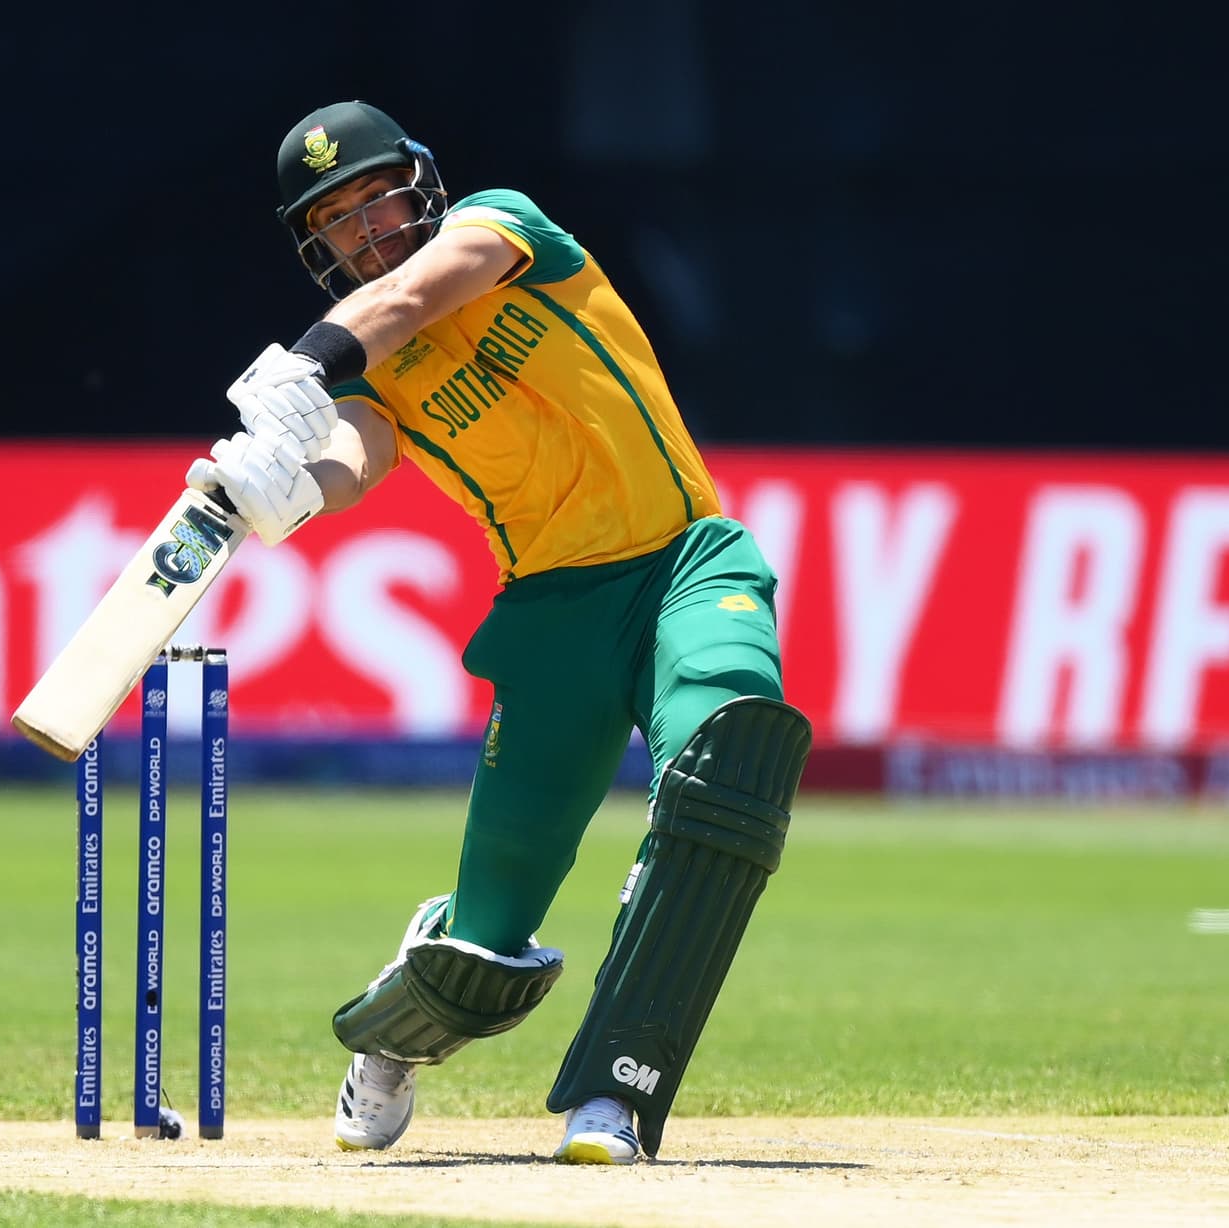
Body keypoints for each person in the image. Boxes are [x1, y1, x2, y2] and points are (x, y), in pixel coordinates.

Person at [185, 100, 814, 1165]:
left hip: (686, 561)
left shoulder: (502, 228)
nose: (369, 227)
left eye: (377, 194)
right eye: (338, 220)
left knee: (727, 764)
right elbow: (355, 457)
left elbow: (421, 289)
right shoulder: (371, 373)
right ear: (317, 245)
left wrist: (304, 360)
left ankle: (612, 1097)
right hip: (552, 620)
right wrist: (279, 491)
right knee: (483, 946)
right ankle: (401, 1020)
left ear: (420, 182)